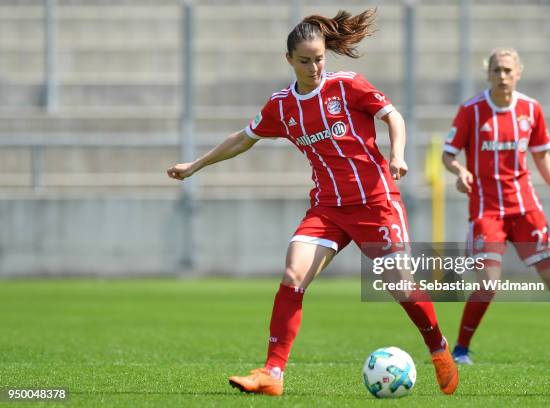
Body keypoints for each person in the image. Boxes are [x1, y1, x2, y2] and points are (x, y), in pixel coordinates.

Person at [168, 9, 459, 396]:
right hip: (328, 209)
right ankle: (273, 374)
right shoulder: (282, 106)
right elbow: (242, 139)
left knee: (399, 283)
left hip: (377, 202)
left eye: (319, 58)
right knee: (293, 274)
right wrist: (196, 165)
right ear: (289, 60)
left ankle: (438, 349)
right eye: (305, 61)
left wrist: (398, 155)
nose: (314, 67)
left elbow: (394, 117)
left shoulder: (348, 85)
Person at [442, 47, 550, 365]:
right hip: (487, 210)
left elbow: (542, 155)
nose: (502, 76)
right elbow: (448, 154)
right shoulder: (471, 110)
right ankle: (461, 349)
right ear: (487, 73)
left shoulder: (531, 109)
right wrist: (460, 171)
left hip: (525, 207)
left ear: (519, 72)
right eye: (496, 70)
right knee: (488, 283)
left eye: (507, 70)